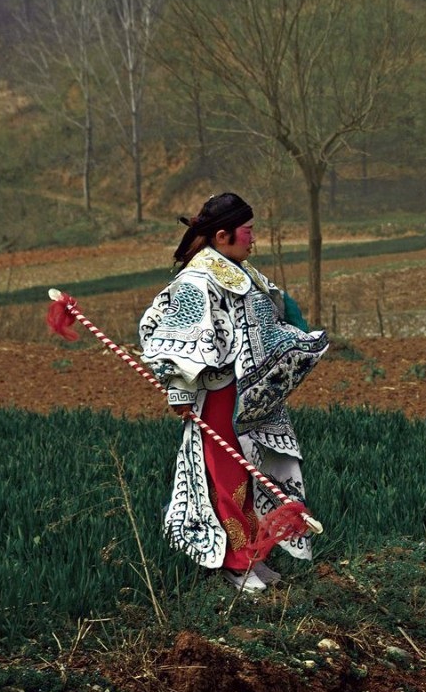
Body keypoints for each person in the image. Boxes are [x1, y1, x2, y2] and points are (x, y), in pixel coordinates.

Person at [138, 193, 329, 593]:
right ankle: (237, 563)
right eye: (248, 231)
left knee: (260, 472)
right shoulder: (197, 280)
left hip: (254, 395)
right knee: (230, 478)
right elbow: (175, 339)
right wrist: (178, 390)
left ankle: (256, 557)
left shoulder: (244, 273)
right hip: (220, 393)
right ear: (223, 235)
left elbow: (280, 312)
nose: (253, 238)